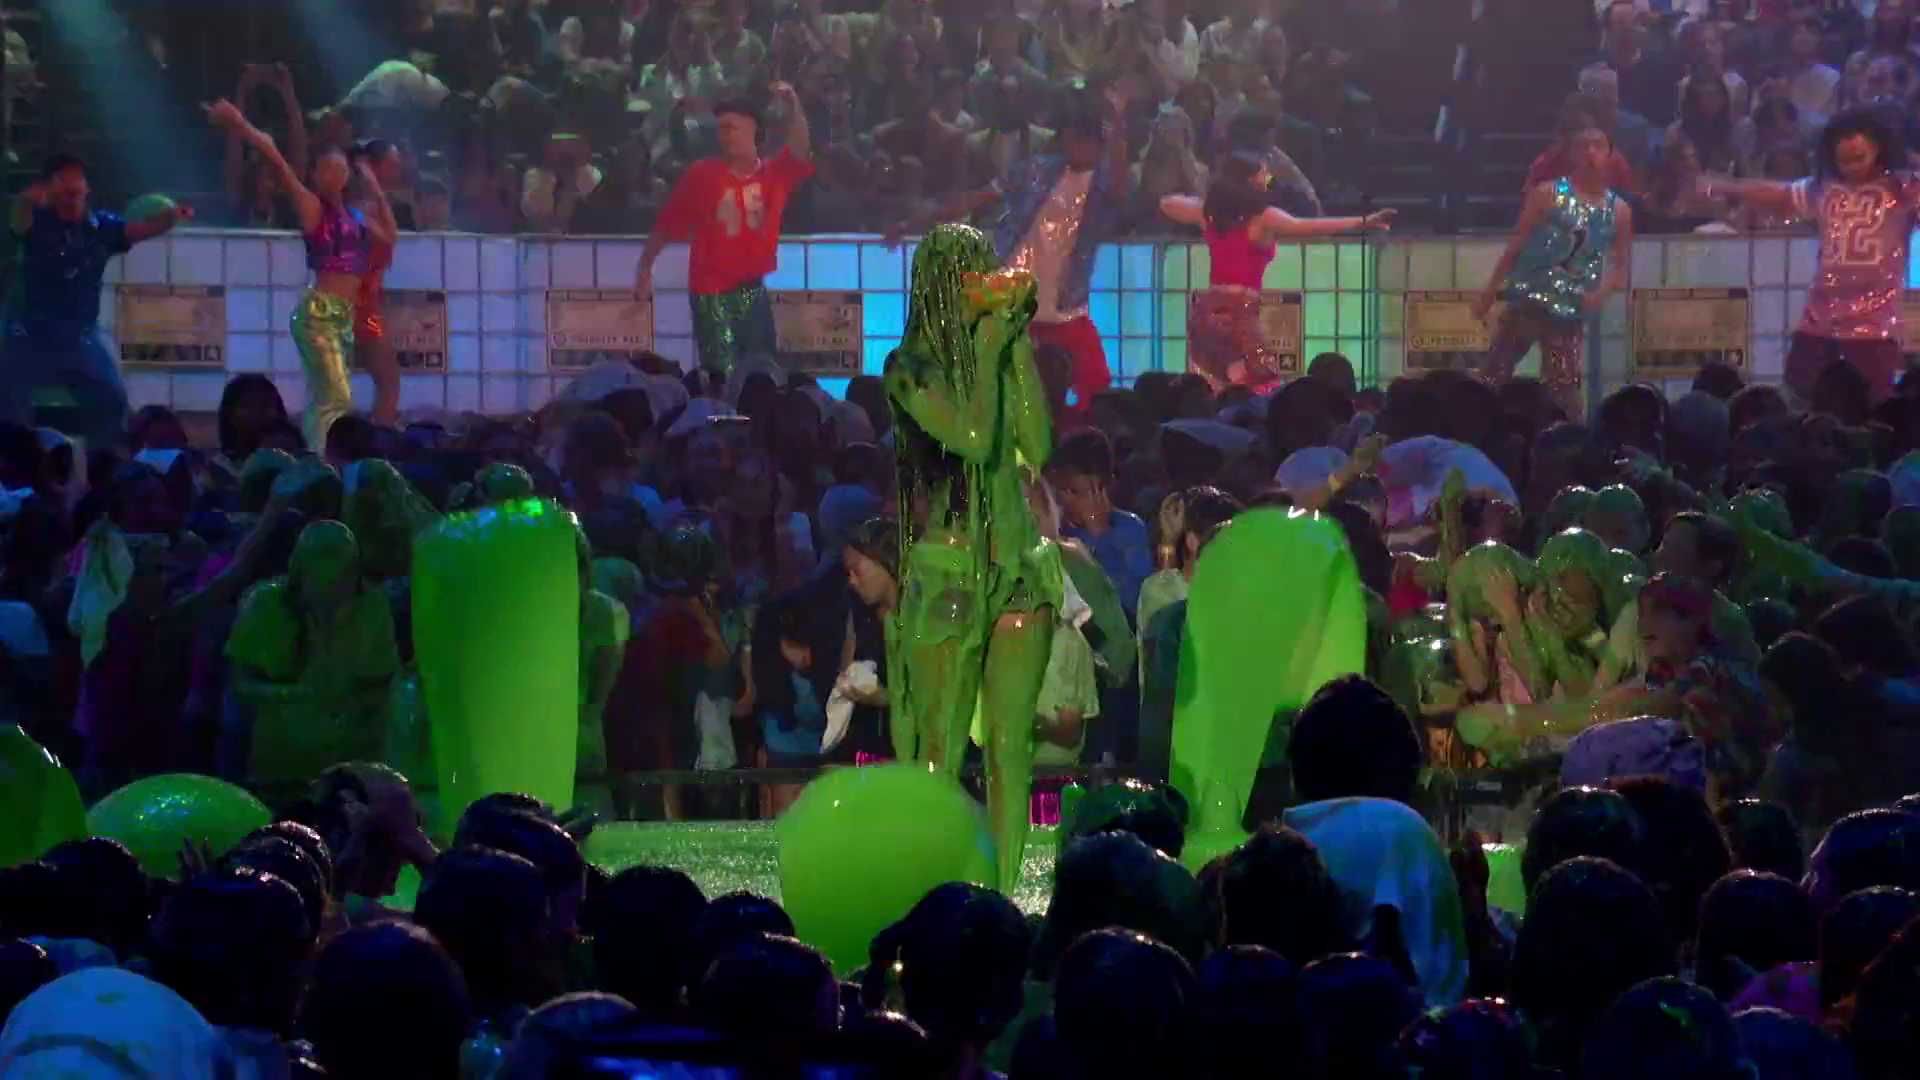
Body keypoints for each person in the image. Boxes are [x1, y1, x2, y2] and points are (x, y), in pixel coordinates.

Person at [884, 222, 1056, 892]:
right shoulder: (908, 370)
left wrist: (1017, 349)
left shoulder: (999, 352)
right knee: (941, 747)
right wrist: (987, 351)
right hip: (948, 572)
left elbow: (1036, 445)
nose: (979, 284)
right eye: (964, 272)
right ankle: (933, 888)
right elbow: (975, 439)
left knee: (1012, 749)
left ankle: (1004, 893)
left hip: (1019, 567)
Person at [888, 88, 1130, 423]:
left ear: (1097, 145)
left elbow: (1120, 184)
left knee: (1093, 393)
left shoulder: (1102, 185)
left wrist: (1118, 125)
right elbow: (975, 198)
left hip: (1065, 311)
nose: (1077, 147)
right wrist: (913, 222)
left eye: (1086, 142)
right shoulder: (1034, 171)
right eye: (1073, 138)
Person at [206, 99, 397, 450]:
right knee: (336, 397)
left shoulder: (357, 216)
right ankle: (322, 458)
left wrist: (374, 185)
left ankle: (328, 453)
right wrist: (240, 124)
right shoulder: (313, 208)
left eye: (340, 168)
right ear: (315, 175)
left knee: (334, 394)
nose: (335, 174)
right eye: (327, 169)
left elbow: (389, 238)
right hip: (320, 313)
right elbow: (275, 157)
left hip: (351, 315)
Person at [1703, 107, 1918, 403]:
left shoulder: (1903, 188)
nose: (1852, 167)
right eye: (1844, 161)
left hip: (1875, 324)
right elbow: (1779, 195)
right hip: (1820, 318)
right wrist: (1728, 187)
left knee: (1873, 403)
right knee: (1798, 398)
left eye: (1860, 158)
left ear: (1878, 149)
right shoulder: (1823, 188)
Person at [1157, 151, 1392, 392]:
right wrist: (1363, 222)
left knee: (1215, 384)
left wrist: (1212, 201)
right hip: (1240, 313)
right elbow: (1308, 226)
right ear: (1250, 181)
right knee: (1259, 383)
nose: (1268, 180)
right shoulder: (1263, 218)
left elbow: (1167, 203)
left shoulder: (1210, 215)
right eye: (1263, 175)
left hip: (1207, 312)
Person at [2, 154, 190, 447]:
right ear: (50, 189)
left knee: (112, 400)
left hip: (79, 336)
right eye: (63, 182)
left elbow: (138, 229)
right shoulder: (35, 221)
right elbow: (19, 217)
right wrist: (30, 198)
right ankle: (17, 462)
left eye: (77, 181)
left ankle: (103, 463)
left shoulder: (101, 226)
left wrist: (171, 216)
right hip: (28, 333)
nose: (72, 190)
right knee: (9, 403)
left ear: (86, 189)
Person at [634, 85, 812, 378]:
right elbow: (667, 224)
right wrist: (645, 266)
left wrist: (794, 104)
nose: (725, 135)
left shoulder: (773, 173)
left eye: (732, 128)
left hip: (753, 287)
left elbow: (800, 149)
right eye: (721, 129)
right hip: (711, 291)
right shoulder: (702, 174)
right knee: (721, 373)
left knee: (763, 372)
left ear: (754, 131)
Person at [1473, 113, 1634, 421]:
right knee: (1494, 373)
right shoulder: (1546, 194)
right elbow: (1516, 245)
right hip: (1527, 299)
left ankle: (1569, 438)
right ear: (1572, 154)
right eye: (1583, 146)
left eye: (1598, 146)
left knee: (1564, 386)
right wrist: (1490, 291)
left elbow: (1620, 264)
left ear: (1610, 154)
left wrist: (1600, 293)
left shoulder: (1619, 210)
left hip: (1569, 308)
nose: (1590, 153)